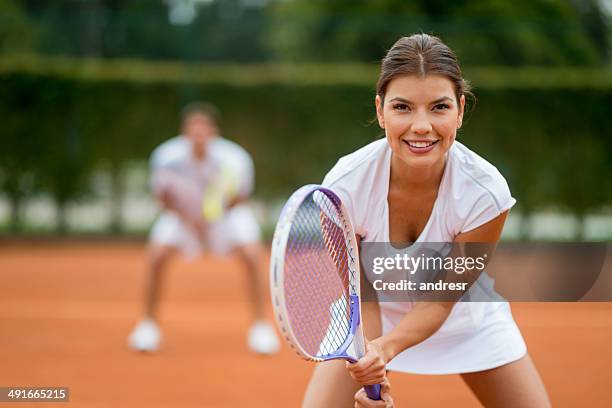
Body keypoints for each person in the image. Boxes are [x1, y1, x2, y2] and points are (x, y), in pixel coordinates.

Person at [303, 34, 551, 407]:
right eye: (402, 107)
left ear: (460, 111)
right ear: (381, 110)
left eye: (439, 107)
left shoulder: (486, 193)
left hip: (463, 320)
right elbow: (361, 293)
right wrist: (371, 358)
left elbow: (439, 302)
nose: (421, 126)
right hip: (367, 319)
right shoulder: (342, 187)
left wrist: (387, 348)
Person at [128, 102, 279, 355]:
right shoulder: (165, 157)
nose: (199, 135)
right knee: (157, 256)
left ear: (214, 132)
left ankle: (261, 327)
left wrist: (214, 216)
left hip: (227, 217)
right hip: (181, 218)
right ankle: (147, 326)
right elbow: (163, 198)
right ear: (184, 132)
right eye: (193, 129)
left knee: (252, 256)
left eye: (204, 129)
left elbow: (239, 196)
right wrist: (192, 219)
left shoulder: (234, 158)